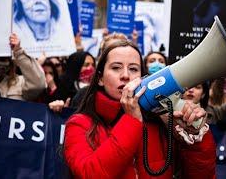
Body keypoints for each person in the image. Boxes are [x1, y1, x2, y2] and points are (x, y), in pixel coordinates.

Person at [63, 39, 216, 178]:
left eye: (134, 69)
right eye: (116, 68)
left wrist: (195, 139)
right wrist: (132, 120)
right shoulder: (79, 124)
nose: (125, 75)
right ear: (100, 78)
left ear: (143, 78)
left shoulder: (160, 122)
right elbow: (89, 174)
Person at [0, 33, 46, 101]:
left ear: (11, 63)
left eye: (3, 59)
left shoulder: (20, 82)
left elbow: (38, 85)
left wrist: (19, 52)